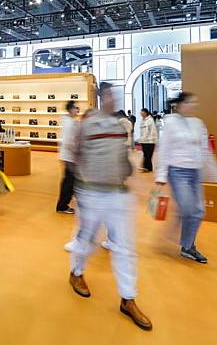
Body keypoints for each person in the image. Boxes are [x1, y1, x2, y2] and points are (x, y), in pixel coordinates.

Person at [66, 82, 152, 331]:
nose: (114, 100)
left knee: (124, 248)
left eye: (116, 96)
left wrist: (126, 172)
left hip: (118, 194)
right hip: (91, 193)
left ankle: (128, 298)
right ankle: (77, 272)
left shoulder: (118, 125)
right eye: (110, 96)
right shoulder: (87, 124)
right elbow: (75, 154)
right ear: (101, 98)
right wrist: (80, 188)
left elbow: (123, 157)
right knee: (86, 241)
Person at [155, 92, 215, 264]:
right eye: (190, 102)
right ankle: (178, 236)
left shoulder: (198, 123)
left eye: (194, 102)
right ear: (180, 104)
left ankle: (188, 247)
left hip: (195, 171)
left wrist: (208, 171)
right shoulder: (171, 122)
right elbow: (164, 149)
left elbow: (204, 149)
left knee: (199, 211)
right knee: (188, 208)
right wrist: (161, 175)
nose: (193, 105)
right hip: (177, 171)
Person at [56, 100, 80, 214]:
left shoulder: (69, 122)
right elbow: (67, 141)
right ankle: (62, 205)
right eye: (76, 108)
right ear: (71, 109)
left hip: (68, 155)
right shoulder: (70, 123)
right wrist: (75, 151)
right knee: (69, 181)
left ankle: (63, 204)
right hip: (70, 156)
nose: (77, 110)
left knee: (69, 180)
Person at [137, 108, 158, 172]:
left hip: (149, 141)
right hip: (144, 141)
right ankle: (146, 168)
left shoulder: (150, 120)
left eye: (142, 112)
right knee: (146, 155)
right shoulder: (142, 120)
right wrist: (140, 139)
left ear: (146, 113)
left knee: (148, 156)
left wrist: (153, 139)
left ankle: (148, 169)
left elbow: (152, 131)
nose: (141, 114)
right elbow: (142, 132)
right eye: (140, 113)